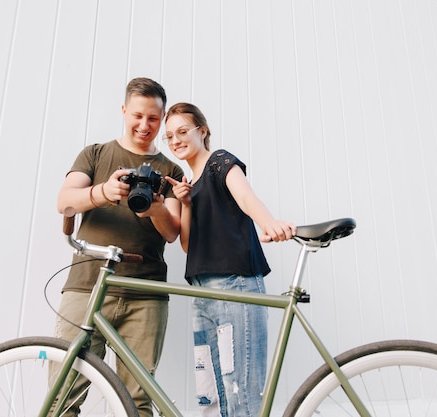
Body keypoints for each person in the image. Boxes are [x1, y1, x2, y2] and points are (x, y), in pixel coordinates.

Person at [52, 77, 184, 416]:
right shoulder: (96, 154)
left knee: (138, 403)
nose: (144, 125)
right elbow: (64, 202)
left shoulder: (171, 171)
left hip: (146, 293)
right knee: (63, 397)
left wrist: (154, 206)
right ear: (124, 111)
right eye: (137, 115)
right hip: (87, 286)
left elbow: (172, 232)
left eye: (153, 118)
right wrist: (102, 193)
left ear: (163, 116)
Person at [163, 102, 296, 417]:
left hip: (234, 284)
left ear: (202, 131)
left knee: (241, 392)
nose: (176, 140)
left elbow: (246, 197)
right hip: (202, 291)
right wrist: (186, 204)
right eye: (169, 137)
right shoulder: (188, 186)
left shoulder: (219, 161)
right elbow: (187, 246)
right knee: (211, 394)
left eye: (183, 131)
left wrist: (269, 224)